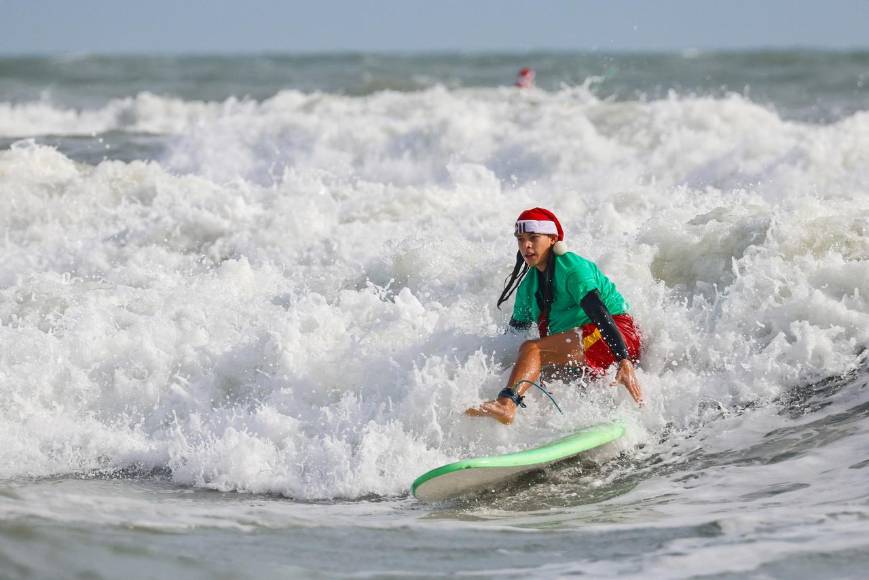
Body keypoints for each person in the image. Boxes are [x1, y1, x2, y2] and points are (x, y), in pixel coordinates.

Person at [466, 208, 644, 424]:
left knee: (533, 349)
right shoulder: (527, 287)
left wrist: (623, 360)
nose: (526, 246)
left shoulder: (572, 269)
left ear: (552, 239)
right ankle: (553, 422)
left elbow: (600, 313)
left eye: (533, 238)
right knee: (536, 368)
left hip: (615, 335)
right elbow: (513, 335)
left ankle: (506, 405)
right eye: (521, 239)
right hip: (584, 343)